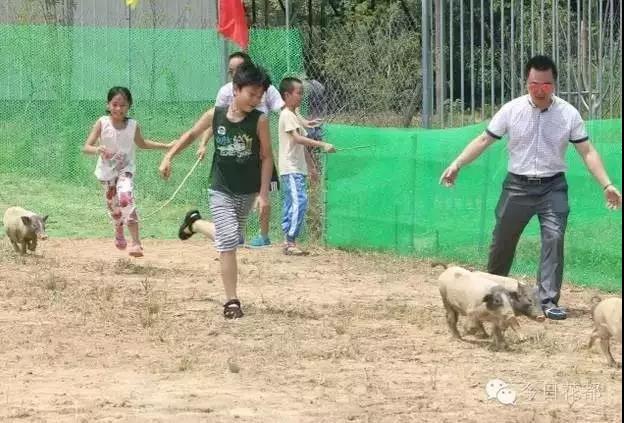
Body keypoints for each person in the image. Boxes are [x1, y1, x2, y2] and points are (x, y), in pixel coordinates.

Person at [439, 55, 622, 321]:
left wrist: (607, 184)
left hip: (553, 187)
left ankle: (547, 301)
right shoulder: (511, 110)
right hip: (517, 186)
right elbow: (483, 140)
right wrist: (457, 164)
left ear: (554, 84)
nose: (540, 89)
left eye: (546, 84)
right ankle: (494, 294)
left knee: (554, 237)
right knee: (503, 238)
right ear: (527, 82)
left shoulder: (568, 114)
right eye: (534, 83)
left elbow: (587, 151)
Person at [159, 62, 273, 319]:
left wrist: (263, 195)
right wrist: (169, 156)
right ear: (236, 89)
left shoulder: (260, 121)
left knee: (234, 238)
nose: (255, 100)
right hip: (220, 187)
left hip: (247, 190)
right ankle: (232, 300)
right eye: (251, 94)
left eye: (259, 96)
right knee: (229, 240)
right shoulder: (216, 115)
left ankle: (195, 224)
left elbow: (267, 157)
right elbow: (190, 135)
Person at [200, 51, 283, 249]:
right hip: (236, 157)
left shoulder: (265, 88)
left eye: (239, 69)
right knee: (232, 233)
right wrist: (203, 142)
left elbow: (282, 109)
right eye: (231, 71)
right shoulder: (225, 92)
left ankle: (263, 235)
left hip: (259, 152)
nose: (234, 73)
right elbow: (215, 120)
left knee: (265, 194)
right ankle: (236, 235)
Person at [82, 86, 171, 258]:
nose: (118, 108)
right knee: (114, 209)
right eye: (115, 104)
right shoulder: (102, 123)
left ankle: (136, 243)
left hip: (125, 170)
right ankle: (118, 230)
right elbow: (86, 147)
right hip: (107, 173)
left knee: (125, 198)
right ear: (108, 105)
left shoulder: (132, 125)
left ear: (129, 106)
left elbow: (142, 143)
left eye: (123, 105)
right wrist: (97, 149)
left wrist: (165, 146)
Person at [278, 77, 336, 255]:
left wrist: (311, 168)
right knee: (299, 201)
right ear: (287, 95)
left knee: (292, 203)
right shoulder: (287, 115)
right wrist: (322, 145)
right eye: (299, 93)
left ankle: (288, 240)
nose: (301, 97)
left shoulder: (294, 115)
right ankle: (290, 242)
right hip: (291, 169)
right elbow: (297, 139)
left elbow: (300, 146)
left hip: (296, 169)